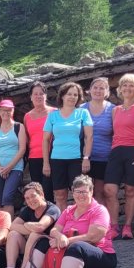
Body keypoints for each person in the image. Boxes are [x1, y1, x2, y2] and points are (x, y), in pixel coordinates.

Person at [11, 175, 117, 268]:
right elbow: (54, 230)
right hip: (74, 258)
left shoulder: (99, 210)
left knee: (77, 246)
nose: (81, 195)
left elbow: (93, 237)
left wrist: (67, 240)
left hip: (101, 256)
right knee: (43, 241)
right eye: (77, 192)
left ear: (91, 192)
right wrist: (59, 236)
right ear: (73, 193)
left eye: (84, 191)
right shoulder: (68, 211)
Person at [103, 74, 134, 240]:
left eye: (132, 86)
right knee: (110, 190)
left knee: (131, 190)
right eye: (125, 85)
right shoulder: (115, 110)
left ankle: (128, 226)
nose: (128, 88)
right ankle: (114, 226)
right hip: (116, 151)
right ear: (120, 89)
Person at [0, 182, 61, 268]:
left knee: (35, 234)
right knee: (13, 234)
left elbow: (40, 227)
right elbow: (13, 226)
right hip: (30, 246)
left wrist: (27, 224)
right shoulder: (28, 210)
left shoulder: (52, 209)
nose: (30, 200)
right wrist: (30, 229)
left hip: (47, 247)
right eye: (27, 198)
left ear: (41, 195)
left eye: (33, 196)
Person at [43, 82, 94, 211]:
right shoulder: (52, 115)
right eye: (69, 94)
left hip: (76, 160)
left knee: (80, 193)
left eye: (75, 95)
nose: (72, 97)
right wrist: (46, 163)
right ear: (62, 96)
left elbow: (89, 137)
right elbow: (46, 140)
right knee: (60, 195)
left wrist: (86, 157)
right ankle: (63, 225)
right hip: (56, 160)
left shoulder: (83, 113)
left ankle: (80, 223)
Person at [0, 99, 27, 218]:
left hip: (15, 167)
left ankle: (8, 228)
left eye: (9, 110)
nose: (6, 112)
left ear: (13, 111)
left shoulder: (19, 127)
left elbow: (22, 149)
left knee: (7, 197)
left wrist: (9, 167)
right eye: (3, 110)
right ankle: (0, 226)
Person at [80, 78, 114, 203]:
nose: (98, 91)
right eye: (95, 87)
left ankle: (100, 221)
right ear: (90, 90)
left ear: (107, 92)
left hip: (104, 157)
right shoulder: (81, 109)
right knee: (84, 191)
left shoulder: (113, 110)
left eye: (102, 88)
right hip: (84, 158)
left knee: (100, 192)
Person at [24, 81, 55, 202]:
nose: (38, 96)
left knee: (48, 190)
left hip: (51, 156)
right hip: (34, 158)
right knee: (38, 192)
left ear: (45, 96)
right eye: (35, 94)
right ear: (31, 97)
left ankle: (52, 218)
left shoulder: (54, 112)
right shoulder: (27, 116)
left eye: (41, 93)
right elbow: (27, 138)